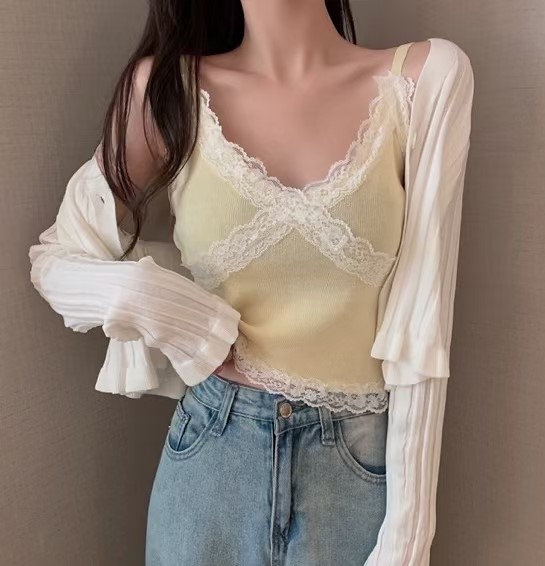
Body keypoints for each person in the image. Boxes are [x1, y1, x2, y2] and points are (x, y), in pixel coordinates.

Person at [28, 1, 475, 564]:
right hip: (210, 462)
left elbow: (423, 326)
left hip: (355, 475)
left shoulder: (424, 79)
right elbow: (54, 259)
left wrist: (407, 543)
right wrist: (173, 313)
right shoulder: (166, 90)